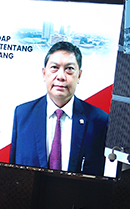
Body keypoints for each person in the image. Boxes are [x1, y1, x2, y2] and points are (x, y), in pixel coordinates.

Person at [10, 41, 108, 176]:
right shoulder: (23, 115)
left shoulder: (99, 121)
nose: (61, 76)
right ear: (44, 73)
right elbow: (13, 171)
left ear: (79, 75)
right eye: (54, 67)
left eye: (69, 69)